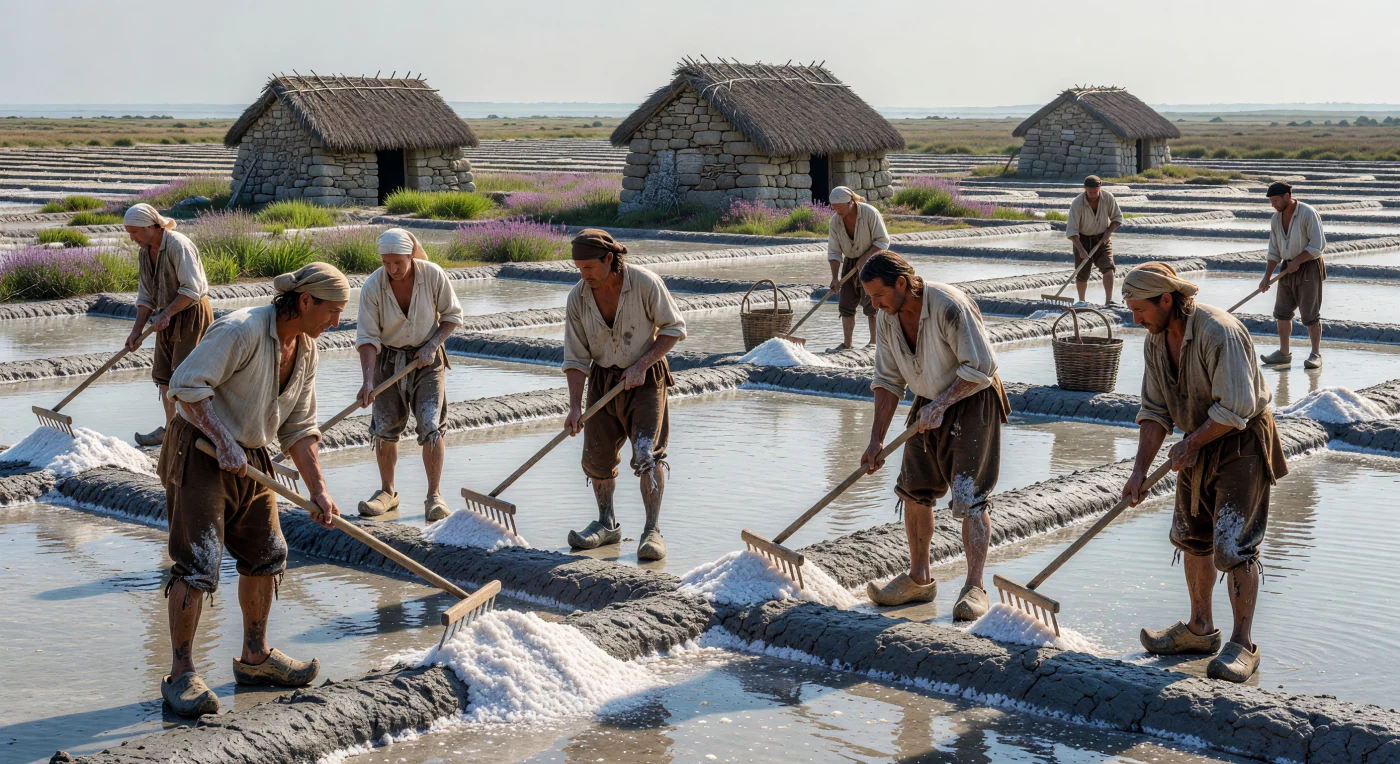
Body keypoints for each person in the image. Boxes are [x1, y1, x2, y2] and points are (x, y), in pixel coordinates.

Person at [159, 262, 349, 716]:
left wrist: (318, 489)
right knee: (198, 562)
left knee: (267, 553)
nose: (336, 322)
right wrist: (222, 440)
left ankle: (256, 657)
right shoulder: (241, 330)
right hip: (200, 449)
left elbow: (299, 428)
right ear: (305, 301)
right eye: (332, 311)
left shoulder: (305, 349)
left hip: (251, 452)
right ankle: (181, 673)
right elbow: (185, 385)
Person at [1120, 262, 1288, 684]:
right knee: (1191, 536)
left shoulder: (1219, 332)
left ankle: (1243, 645)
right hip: (1197, 438)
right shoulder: (1156, 342)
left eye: (1140, 310)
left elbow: (1235, 408)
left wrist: (1191, 443)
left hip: (1241, 440)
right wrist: (1139, 472)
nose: (1136, 320)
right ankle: (1199, 630)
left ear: (1166, 300)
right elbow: (1155, 410)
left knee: (1233, 546)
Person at [858, 251, 1010, 618]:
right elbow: (888, 380)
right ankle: (919, 580)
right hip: (928, 400)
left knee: (969, 496)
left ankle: (974, 587)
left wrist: (943, 403)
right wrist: (876, 439)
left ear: (901, 283)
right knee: (914, 489)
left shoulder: (948, 306)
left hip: (973, 397)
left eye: (878, 295)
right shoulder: (888, 319)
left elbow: (982, 367)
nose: (874, 304)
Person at [561, 229, 686, 561]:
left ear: (608, 259)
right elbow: (575, 358)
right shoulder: (578, 298)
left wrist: (642, 364)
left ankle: (652, 531)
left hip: (645, 377)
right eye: (579, 269)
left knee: (646, 453)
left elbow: (674, 328)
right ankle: (606, 524)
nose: (583, 276)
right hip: (603, 378)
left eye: (589, 268)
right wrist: (574, 407)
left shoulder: (644, 283)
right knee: (596, 458)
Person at [354, 229, 464, 522]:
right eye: (386, 263)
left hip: (427, 359)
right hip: (387, 360)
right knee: (385, 426)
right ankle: (387, 493)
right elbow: (367, 337)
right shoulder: (373, 286)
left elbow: (452, 316)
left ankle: (434, 496)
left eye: (398, 263)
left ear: (411, 255)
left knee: (430, 425)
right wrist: (368, 380)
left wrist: (432, 345)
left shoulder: (433, 275)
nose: (392, 269)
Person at [122, 203, 215, 447]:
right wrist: (136, 330)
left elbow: (192, 289)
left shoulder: (177, 245)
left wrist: (168, 314)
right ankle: (171, 428)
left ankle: (196, 431)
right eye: (129, 233)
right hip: (166, 316)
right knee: (164, 376)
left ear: (151, 227)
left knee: (185, 377)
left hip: (190, 314)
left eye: (135, 232)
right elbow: (146, 296)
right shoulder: (145, 253)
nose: (132, 238)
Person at [1258, 181, 1326, 369]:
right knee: (1282, 312)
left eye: (1275, 200)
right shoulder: (1276, 219)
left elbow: (1317, 245)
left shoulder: (1307, 213)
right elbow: (1274, 251)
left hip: (1309, 266)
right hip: (1287, 267)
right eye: (1271, 201)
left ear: (1287, 196)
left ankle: (1316, 354)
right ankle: (1284, 353)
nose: (1273, 205)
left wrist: (1298, 260)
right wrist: (1266, 277)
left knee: (1310, 314)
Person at [826, 185, 890, 352]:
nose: (837, 211)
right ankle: (847, 344)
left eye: (840, 207)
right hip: (850, 263)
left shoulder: (870, 213)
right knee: (846, 304)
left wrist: (865, 258)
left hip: (873, 260)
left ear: (851, 202)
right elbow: (834, 252)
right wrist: (835, 278)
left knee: (872, 303)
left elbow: (883, 241)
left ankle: (874, 343)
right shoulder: (835, 221)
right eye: (834, 208)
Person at [1065, 175, 1123, 306]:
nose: (1092, 195)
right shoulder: (1077, 203)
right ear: (1085, 189)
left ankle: (1108, 301)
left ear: (1100, 188)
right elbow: (1072, 231)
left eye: (1095, 192)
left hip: (1102, 239)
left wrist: (1109, 232)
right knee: (1082, 274)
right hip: (1082, 240)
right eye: (1090, 192)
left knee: (1108, 268)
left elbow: (1117, 218)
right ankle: (1082, 301)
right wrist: (1081, 249)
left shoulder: (1108, 198)